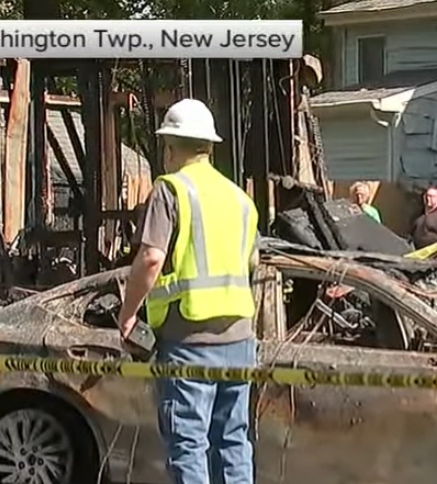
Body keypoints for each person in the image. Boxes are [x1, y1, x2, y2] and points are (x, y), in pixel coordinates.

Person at [116, 98, 259, 484]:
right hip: (241, 339)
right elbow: (251, 265)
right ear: (209, 146)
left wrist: (129, 314)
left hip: (189, 339)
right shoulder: (241, 200)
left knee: (188, 443)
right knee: (233, 441)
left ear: (170, 146)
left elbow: (150, 259)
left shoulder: (171, 190)